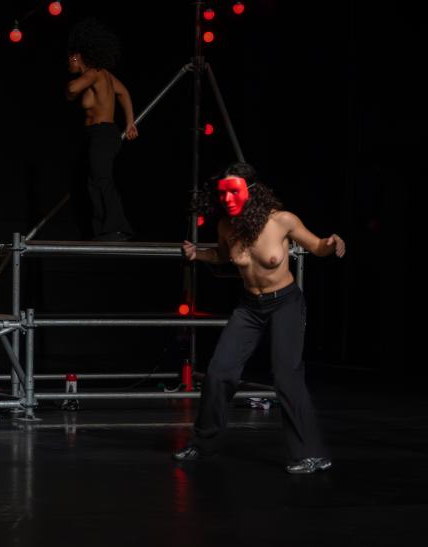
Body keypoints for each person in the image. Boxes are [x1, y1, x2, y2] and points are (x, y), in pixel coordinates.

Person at [174, 162, 346, 474]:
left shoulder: (282, 221)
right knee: (219, 372)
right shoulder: (227, 226)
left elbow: (317, 246)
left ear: (252, 192)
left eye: (233, 191)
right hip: (249, 307)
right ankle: (203, 443)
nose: (226, 198)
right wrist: (197, 253)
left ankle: (312, 454)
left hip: (286, 304)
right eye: (222, 192)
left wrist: (332, 244)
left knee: (286, 375)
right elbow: (223, 257)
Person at [66, 17, 138, 241]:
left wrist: (72, 93)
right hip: (104, 134)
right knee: (93, 181)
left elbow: (71, 88)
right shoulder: (105, 75)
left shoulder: (92, 74)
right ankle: (103, 230)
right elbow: (124, 92)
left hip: (102, 133)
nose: (68, 64)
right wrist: (130, 122)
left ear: (77, 56)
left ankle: (118, 228)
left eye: (69, 60)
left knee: (102, 179)